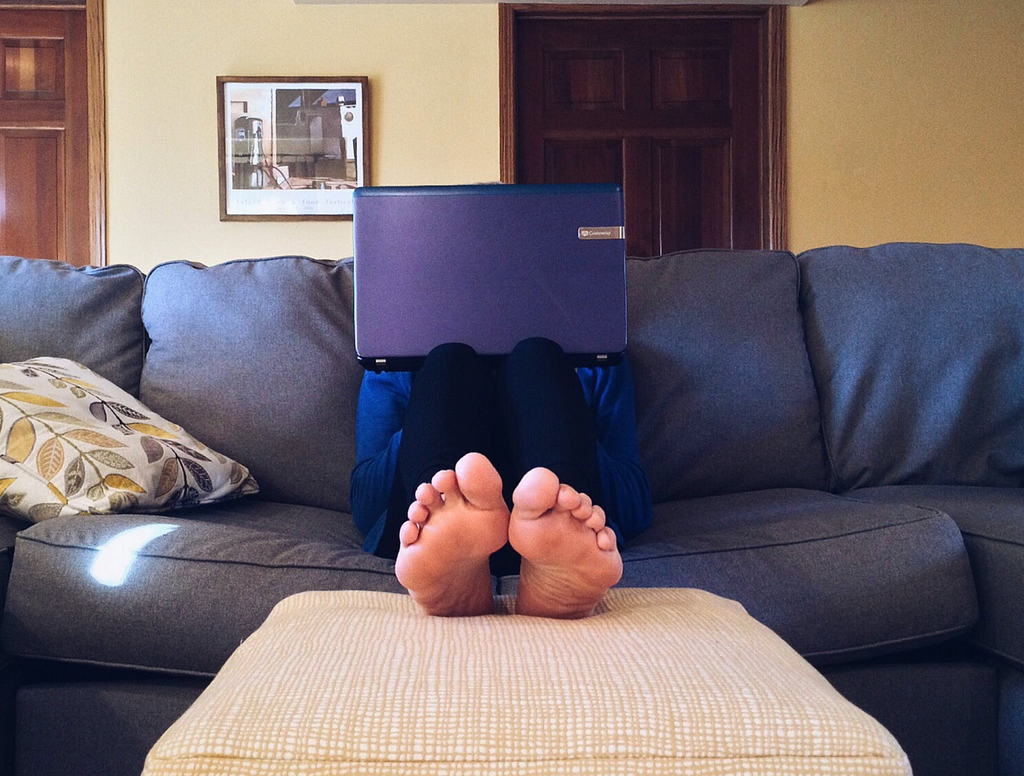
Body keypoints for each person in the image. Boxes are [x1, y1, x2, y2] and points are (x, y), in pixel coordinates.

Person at [350, 337, 652, 619]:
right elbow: (367, 502)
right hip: (433, 529)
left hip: (561, 530)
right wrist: (422, 426)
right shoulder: (393, 348)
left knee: (537, 357)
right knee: (449, 361)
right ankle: (440, 520)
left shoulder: (596, 345)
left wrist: (573, 434)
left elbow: (634, 503)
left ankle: (555, 512)